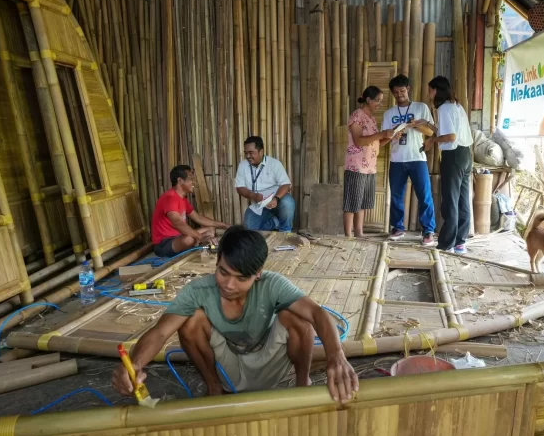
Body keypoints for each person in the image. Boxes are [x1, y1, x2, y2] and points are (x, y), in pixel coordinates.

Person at [111, 226, 359, 401]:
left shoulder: (273, 284)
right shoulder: (198, 291)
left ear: (258, 273)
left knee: (298, 317)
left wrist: (336, 356)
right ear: (217, 261)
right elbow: (160, 332)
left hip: (269, 362)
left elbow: (317, 314)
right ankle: (214, 389)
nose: (229, 285)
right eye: (223, 272)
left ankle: (302, 383)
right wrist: (135, 365)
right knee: (190, 322)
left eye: (241, 278)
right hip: (227, 367)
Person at [381, 74, 437, 247]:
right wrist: (393, 135)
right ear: (392, 93)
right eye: (396, 92)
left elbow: (431, 132)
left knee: (424, 195)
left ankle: (428, 231)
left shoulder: (421, 107)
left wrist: (417, 125)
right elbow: (384, 136)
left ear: (408, 89)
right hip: (397, 159)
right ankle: (398, 228)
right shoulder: (389, 113)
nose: (399, 95)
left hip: (417, 158)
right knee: (396, 196)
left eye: (402, 91)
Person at [420, 76, 474, 254]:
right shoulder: (456, 106)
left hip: (453, 156)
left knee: (450, 200)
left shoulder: (443, 108)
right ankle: (460, 242)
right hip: (465, 154)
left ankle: (447, 244)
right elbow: (448, 131)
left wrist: (431, 140)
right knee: (462, 200)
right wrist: (427, 125)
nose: (429, 94)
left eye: (430, 90)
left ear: (437, 90)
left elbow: (450, 137)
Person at [343, 86, 393, 237]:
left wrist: (389, 137)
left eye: (381, 101)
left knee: (362, 202)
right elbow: (359, 141)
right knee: (352, 203)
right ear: (368, 100)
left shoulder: (371, 119)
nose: (380, 104)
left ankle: (359, 233)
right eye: (377, 100)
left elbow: (375, 143)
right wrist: (382, 134)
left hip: (370, 166)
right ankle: (348, 236)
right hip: (356, 165)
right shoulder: (357, 115)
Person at [151, 165, 230, 257]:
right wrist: (199, 236)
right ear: (180, 181)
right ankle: (195, 243)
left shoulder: (182, 199)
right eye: (190, 178)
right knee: (189, 239)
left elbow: (198, 218)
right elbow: (177, 223)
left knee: (211, 229)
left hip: (178, 237)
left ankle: (197, 243)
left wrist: (225, 225)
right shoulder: (170, 198)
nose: (194, 182)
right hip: (163, 244)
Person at [235, 136, 295, 232]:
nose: (248, 156)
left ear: (261, 152)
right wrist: (253, 196)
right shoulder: (243, 165)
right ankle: (275, 223)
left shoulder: (274, 164)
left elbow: (286, 184)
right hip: (258, 205)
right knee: (248, 231)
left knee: (287, 202)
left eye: (251, 153)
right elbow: (239, 187)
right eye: (246, 153)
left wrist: (276, 198)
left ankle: (285, 231)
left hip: (277, 201)